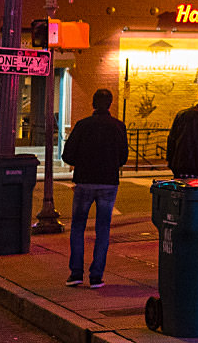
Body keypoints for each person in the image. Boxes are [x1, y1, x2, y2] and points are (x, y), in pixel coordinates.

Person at [60, 88, 128, 289]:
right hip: (108, 182)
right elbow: (123, 158)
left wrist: (82, 161)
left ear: (92, 103)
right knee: (103, 229)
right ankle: (96, 276)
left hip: (85, 181)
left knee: (78, 227)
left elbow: (67, 155)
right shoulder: (118, 127)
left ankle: (76, 274)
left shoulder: (83, 126)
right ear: (110, 104)